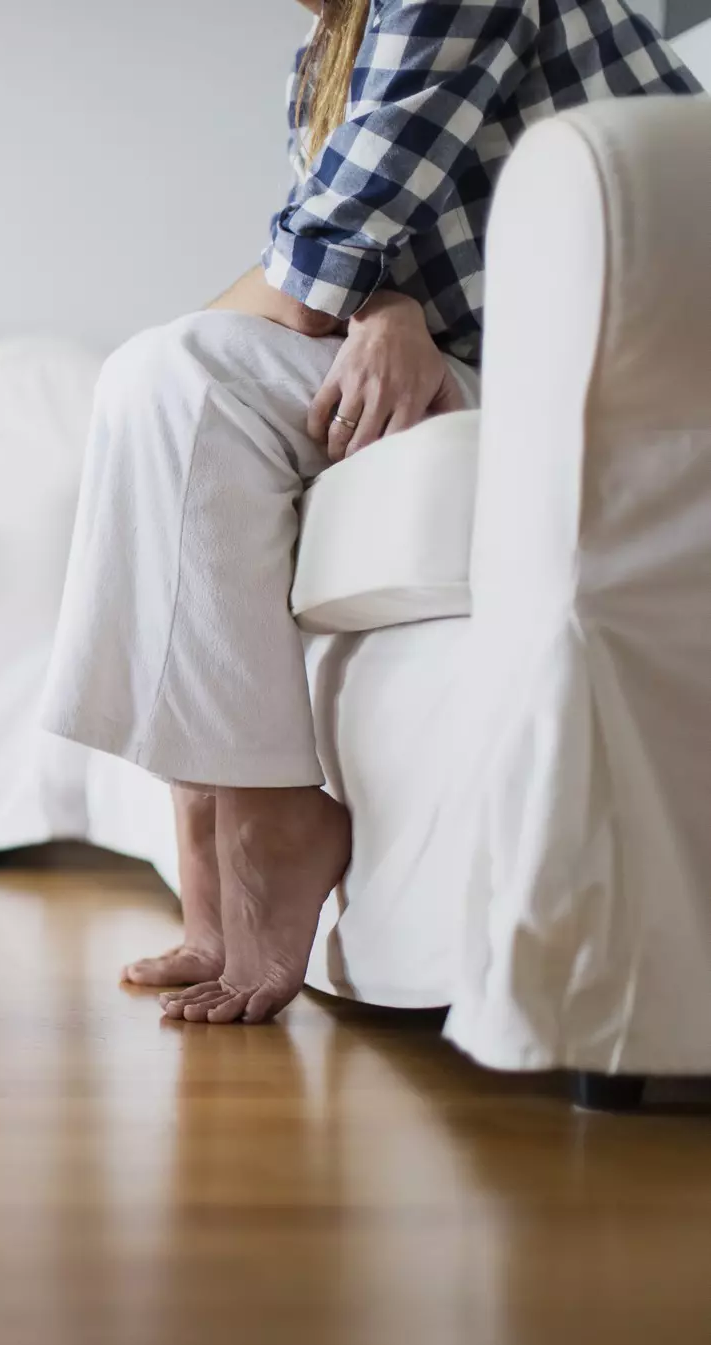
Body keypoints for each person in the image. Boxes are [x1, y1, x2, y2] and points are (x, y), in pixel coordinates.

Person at [39, 0, 699, 1024]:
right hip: (509, 365)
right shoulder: (325, 52)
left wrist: (351, 292)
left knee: (176, 382)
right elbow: (327, 264)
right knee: (162, 390)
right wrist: (377, 304)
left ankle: (263, 824)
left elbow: (305, 278)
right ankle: (209, 835)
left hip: (628, 383)